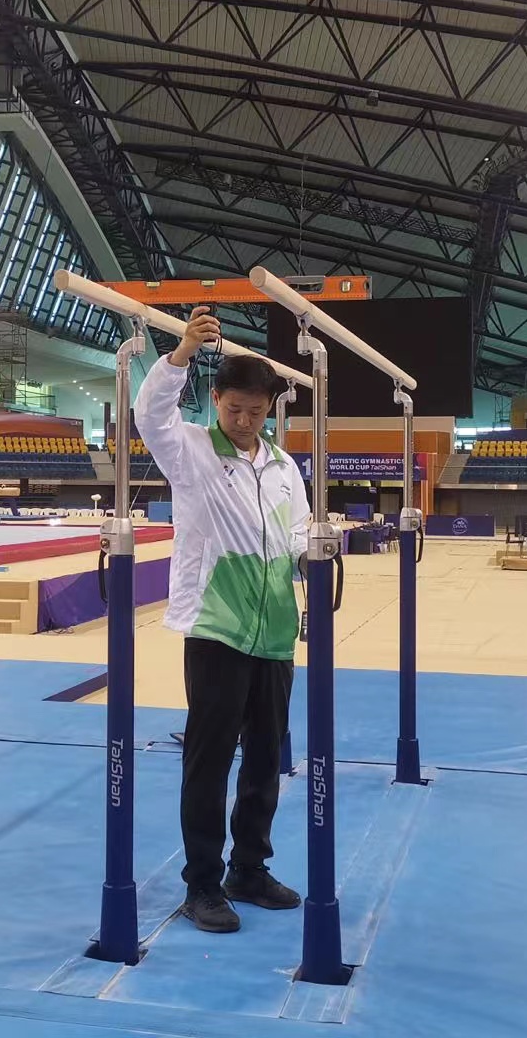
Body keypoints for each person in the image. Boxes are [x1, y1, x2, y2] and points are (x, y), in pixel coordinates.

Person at [135, 305, 310, 934]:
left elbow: (296, 532)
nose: (243, 421)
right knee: (209, 762)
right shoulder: (189, 449)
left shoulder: (284, 466)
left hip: (275, 629)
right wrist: (181, 352)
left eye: (255, 412)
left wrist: (315, 550)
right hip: (217, 626)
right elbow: (150, 414)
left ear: (269, 410)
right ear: (216, 399)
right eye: (234, 409)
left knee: (265, 758)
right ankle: (203, 884)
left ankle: (249, 870)